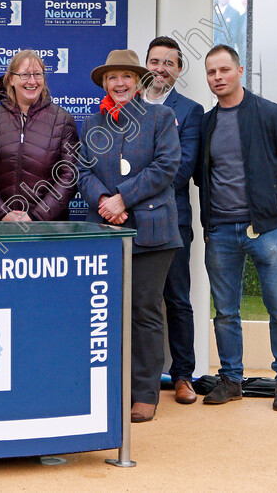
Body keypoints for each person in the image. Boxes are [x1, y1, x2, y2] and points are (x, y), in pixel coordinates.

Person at [198, 45, 277, 412]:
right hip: (220, 231)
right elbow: (205, 176)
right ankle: (231, 379)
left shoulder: (270, 114)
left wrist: (273, 201)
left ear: (240, 71)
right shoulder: (207, 122)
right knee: (226, 310)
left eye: (224, 70)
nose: (218, 77)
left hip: (266, 230)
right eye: (211, 72)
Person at [77, 49, 181, 423]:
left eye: (126, 76)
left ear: (139, 82)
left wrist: (124, 198)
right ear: (104, 83)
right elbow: (81, 172)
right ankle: (109, 389)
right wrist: (105, 200)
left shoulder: (161, 117)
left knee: (144, 311)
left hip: (153, 233)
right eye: (112, 77)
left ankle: (144, 394)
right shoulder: (91, 124)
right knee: (104, 314)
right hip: (104, 229)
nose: (119, 83)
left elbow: (167, 166)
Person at [143, 36, 205, 405]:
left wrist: (133, 196)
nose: (160, 68)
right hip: (131, 223)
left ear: (179, 70)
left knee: (177, 299)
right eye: (154, 61)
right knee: (136, 302)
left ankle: (183, 375)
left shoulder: (191, 110)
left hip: (172, 220)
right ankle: (139, 378)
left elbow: (181, 169)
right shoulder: (131, 106)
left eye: (168, 62)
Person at [0, 49, 79, 222]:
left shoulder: (62, 120)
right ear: (11, 79)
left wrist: (35, 216)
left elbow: (69, 175)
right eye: (25, 75)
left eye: (38, 74)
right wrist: (2, 213)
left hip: (46, 228)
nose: (32, 81)